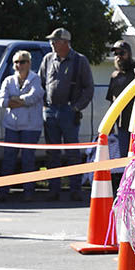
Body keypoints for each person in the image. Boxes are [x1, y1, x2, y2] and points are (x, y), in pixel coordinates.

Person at [39, 27, 94, 202]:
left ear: (64, 42)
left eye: (54, 41)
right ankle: (53, 190)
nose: (52, 44)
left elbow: (88, 88)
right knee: (52, 154)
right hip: (51, 111)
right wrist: (45, 106)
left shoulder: (79, 60)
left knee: (72, 153)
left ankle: (75, 190)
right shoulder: (48, 59)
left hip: (69, 112)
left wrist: (76, 108)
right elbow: (41, 83)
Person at [0, 51, 45, 202]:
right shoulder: (8, 80)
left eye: (22, 62)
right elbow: (2, 101)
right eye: (16, 62)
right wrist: (20, 101)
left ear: (29, 63)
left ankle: (28, 192)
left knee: (27, 159)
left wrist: (15, 100)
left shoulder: (35, 79)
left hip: (31, 127)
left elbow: (34, 97)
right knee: (8, 159)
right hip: (12, 125)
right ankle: (3, 192)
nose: (19, 65)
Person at [108, 40, 135, 163]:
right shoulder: (115, 76)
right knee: (126, 159)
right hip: (122, 125)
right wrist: (110, 124)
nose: (119, 57)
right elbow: (111, 102)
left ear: (129, 53)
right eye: (116, 54)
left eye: (122, 53)